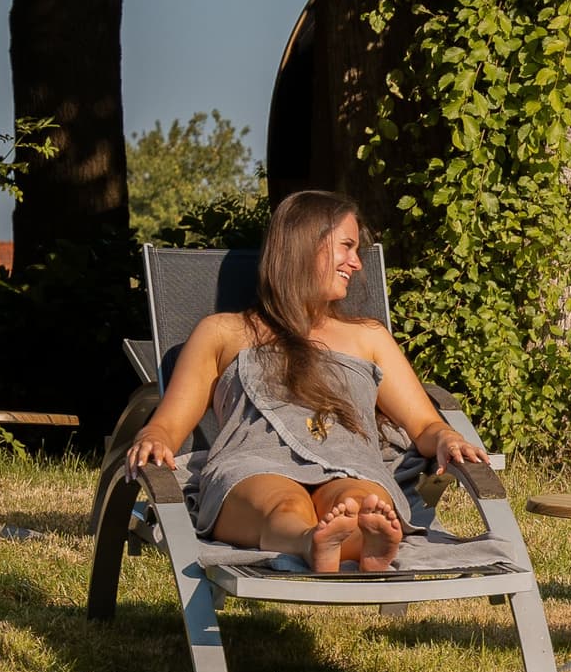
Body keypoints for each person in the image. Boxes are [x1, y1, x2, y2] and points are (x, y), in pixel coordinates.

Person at [126, 189, 491, 576]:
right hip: (254, 464)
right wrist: (154, 437)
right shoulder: (223, 332)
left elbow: (423, 424)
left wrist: (446, 437)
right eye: (346, 247)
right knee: (283, 505)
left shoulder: (369, 337)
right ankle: (311, 541)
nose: (356, 263)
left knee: (358, 501)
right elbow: (169, 423)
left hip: (351, 464)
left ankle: (357, 539)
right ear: (303, 245)